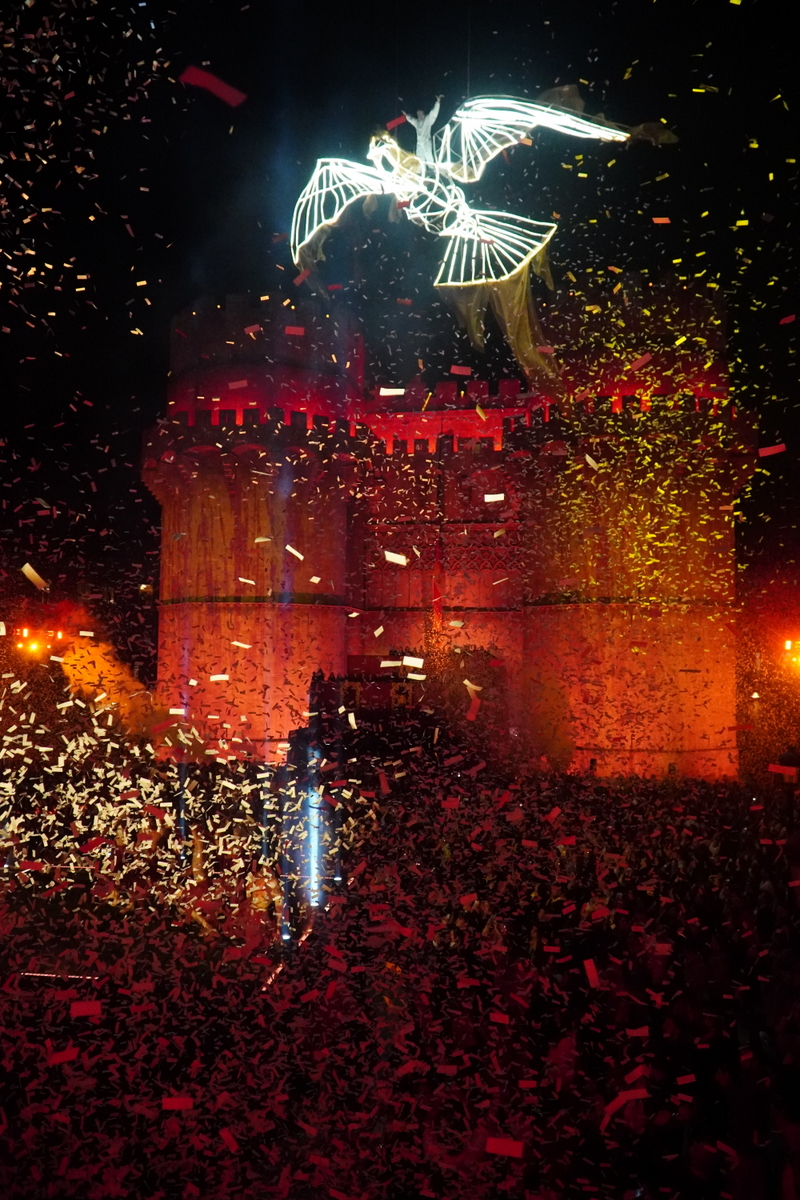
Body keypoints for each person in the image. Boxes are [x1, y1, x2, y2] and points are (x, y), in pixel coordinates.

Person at [402, 95, 443, 162]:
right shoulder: (417, 122)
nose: (418, 115)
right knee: (420, 157)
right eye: (417, 114)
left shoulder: (427, 119)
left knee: (428, 155)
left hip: (426, 141)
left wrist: (437, 102)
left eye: (419, 113)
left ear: (423, 113)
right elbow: (411, 119)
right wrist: (406, 115)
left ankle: (432, 169)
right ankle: (420, 170)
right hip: (419, 142)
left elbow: (434, 113)